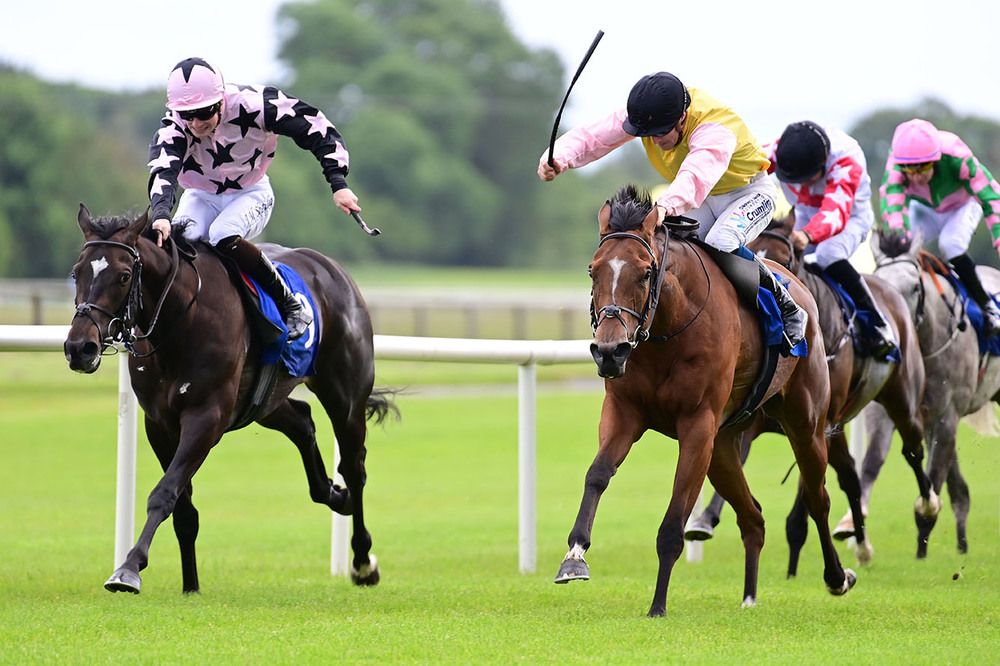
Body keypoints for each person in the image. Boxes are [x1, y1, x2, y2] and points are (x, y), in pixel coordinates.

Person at [538, 71, 806, 352]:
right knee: (673, 245)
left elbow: (695, 177)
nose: (653, 141)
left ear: (682, 118)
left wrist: (666, 206)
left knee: (722, 241)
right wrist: (557, 158)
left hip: (749, 193)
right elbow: (594, 136)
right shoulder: (647, 113)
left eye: (659, 133)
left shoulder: (715, 128)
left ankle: (786, 304)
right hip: (705, 198)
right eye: (646, 134)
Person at [147, 57, 362, 340]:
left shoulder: (256, 105)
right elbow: (163, 172)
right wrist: (161, 214)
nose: (195, 123)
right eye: (187, 115)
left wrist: (338, 183)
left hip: (251, 192)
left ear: (220, 101)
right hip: (200, 196)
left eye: (203, 113)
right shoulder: (173, 128)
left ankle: (289, 303)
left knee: (222, 234)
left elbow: (317, 128)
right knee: (178, 243)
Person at [769, 121, 896, 356]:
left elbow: (835, 212)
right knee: (774, 249)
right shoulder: (782, 149)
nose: (801, 185)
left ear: (823, 165)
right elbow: (749, 164)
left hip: (849, 218)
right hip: (805, 214)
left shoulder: (846, 158)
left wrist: (807, 235)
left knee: (829, 253)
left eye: (806, 179)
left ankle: (876, 323)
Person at [880, 118, 1000, 334]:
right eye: (909, 170)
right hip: (924, 208)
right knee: (898, 254)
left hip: (962, 206)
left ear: (936, 160)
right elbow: (893, 205)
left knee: (950, 245)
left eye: (922, 168)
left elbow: (991, 198)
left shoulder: (956, 156)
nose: (915, 176)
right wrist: (902, 239)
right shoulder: (896, 163)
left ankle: (987, 306)